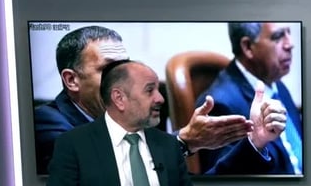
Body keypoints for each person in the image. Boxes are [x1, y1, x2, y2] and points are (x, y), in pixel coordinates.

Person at [33, 25, 252, 174]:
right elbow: (100, 172)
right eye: (109, 70)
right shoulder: (45, 122)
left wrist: (255, 145)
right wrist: (185, 141)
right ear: (72, 80)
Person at [40, 60, 204, 186]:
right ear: (119, 98)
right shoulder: (73, 144)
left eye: (158, 90)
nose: (160, 98)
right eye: (149, 90)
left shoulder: (167, 145)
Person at [195, 22, 303, 175]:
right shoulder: (221, 105)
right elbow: (224, 181)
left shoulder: (275, 83)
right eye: (278, 36)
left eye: (288, 33)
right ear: (248, 47)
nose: (290, 44)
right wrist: (255, 142)